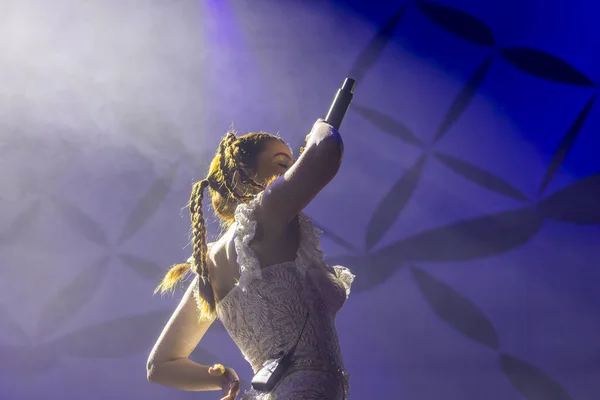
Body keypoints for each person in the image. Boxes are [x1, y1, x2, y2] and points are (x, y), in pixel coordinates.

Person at [146, 119, 355, 400]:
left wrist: (222, 379)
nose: (292, 170)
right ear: (241, 175)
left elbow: (160, 366)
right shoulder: (266, 211)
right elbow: (326, 150)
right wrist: (321, 126)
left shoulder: (210, 267)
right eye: (283, 163)